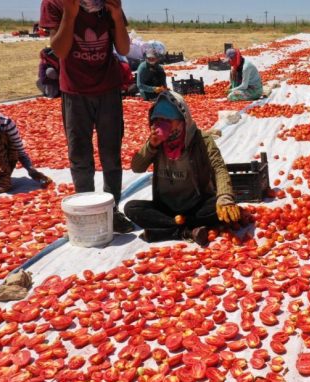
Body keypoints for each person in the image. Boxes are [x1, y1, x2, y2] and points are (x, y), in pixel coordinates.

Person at [40, 0, 134, 233]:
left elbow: (123, 49)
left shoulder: (108, 4)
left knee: (111, 154)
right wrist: (70, 16)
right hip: (75, 91)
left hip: (108, 89)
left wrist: (116, 15)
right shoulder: (55, 3)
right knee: (80, 155)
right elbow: (59, 50)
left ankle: (112, 211)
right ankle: (87, 211)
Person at [124, 91, 240, 247]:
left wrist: (225, 197)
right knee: (131, 208)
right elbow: (137, 167)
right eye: (157, 120)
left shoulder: (201, 140)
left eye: (166, 120)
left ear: (182, 121)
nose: (159, 125)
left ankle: (169, 230)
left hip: (195, 206)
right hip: (165, 207)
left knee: (222, 204)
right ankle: (184, 231)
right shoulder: (156, 143)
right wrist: (151, 146)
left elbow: (218, 167)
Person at [0, 91, 52, 194]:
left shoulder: (6, 123)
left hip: (0, 156)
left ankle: (0, 175)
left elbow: (19, 150)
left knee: (3, 187)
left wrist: (31, 170)